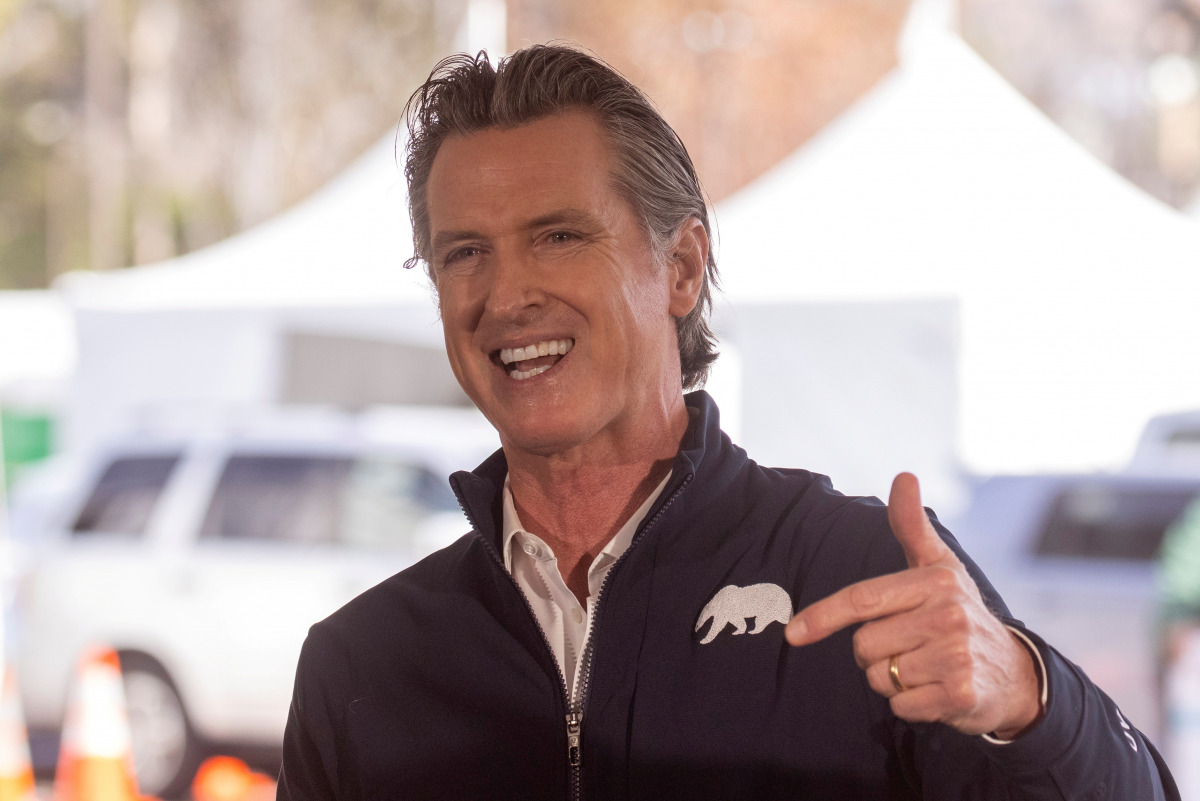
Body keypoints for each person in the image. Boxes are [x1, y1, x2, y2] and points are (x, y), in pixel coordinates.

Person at [277, 44, 1178, 799]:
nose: (507, 295)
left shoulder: (863, 578)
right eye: (465, 252)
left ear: (680, 267)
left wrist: (1029, 697)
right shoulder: (361, 664)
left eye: (559, 236)